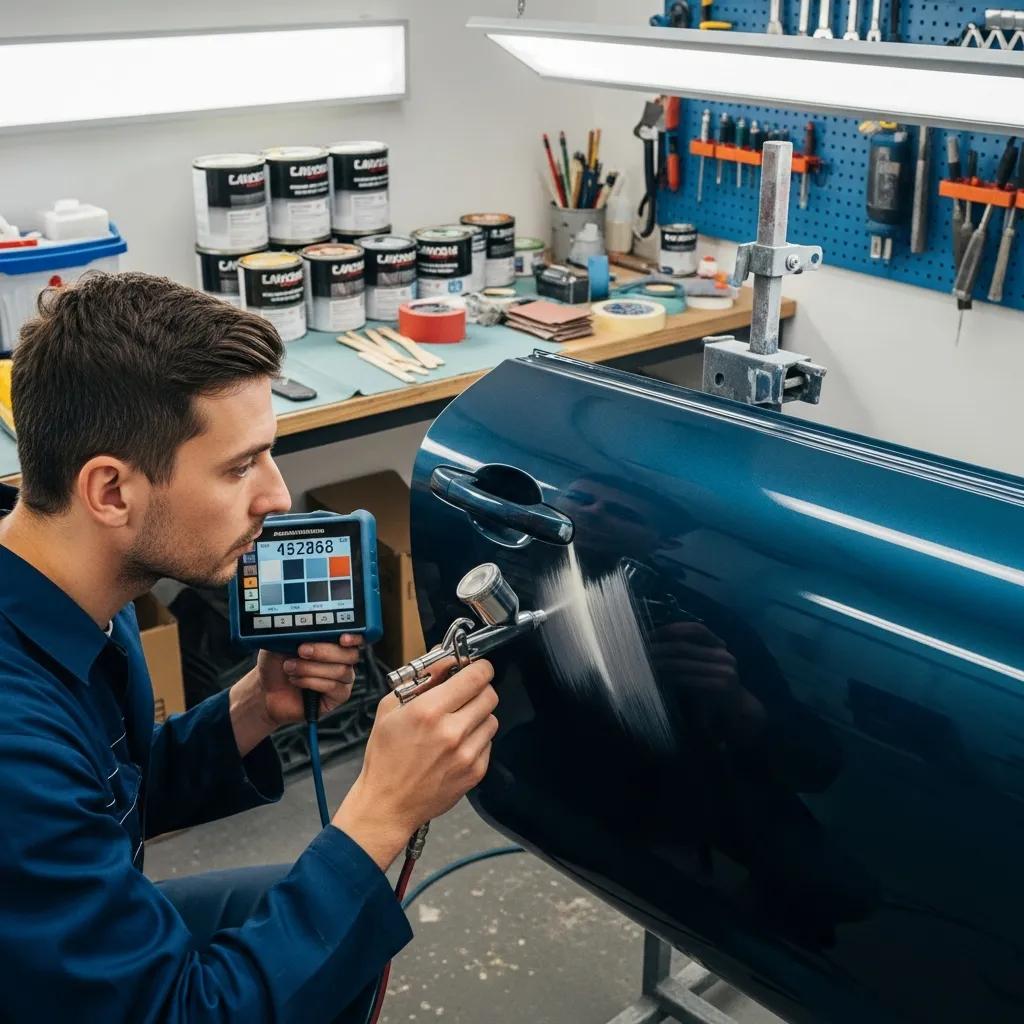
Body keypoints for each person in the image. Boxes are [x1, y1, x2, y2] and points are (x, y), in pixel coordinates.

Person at [0, 272, 499, 1023]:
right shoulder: (12, 740)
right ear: (110, 492)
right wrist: (382, 810)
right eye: (239, 467)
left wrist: (249, 709)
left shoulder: (79, 586)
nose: (275, 495)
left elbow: (105, 795)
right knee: (329, 915)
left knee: (336, 933)